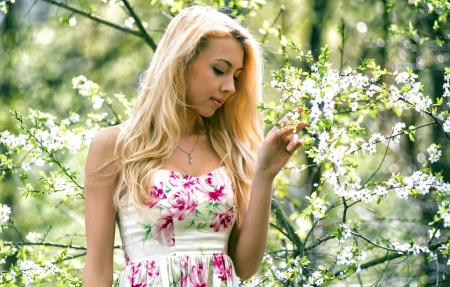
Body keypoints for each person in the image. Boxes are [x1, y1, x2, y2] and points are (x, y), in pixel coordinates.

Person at [82, 5, 306, 287]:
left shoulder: (230, 149)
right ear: (181, 61)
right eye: (219, 70)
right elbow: (98, 270)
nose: (230, 88)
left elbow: (245, 267)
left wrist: (264, 174)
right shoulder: (115, 146)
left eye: (235, 77)